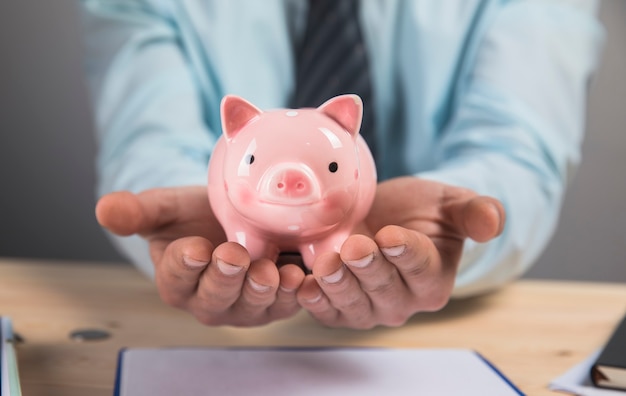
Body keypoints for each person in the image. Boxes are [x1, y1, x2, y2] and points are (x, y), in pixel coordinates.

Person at [80, 0, 603, 328]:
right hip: (217, 289)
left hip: (442, 330)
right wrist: (197, 226)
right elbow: (148, 140)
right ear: (236, 126)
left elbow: (516, 150)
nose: (290, 181)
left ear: (345, 124)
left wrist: (447, 230)